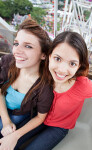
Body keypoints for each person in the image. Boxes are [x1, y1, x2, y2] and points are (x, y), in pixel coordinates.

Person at [0, 18, 54, 149]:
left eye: (28, 46)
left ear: (43, 55)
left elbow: (41, 118)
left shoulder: (44, 86)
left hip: (19, 114)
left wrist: (14, 134)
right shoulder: (8, 62)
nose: (17, 51)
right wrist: (6, 121)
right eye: (16, 43)